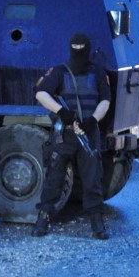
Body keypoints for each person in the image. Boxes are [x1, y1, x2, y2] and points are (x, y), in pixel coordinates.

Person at [32, 32, 111, 240]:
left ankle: (97, 222)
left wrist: (93, 120)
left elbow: (105, 100)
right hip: (65, 134)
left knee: (92, 179)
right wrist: (62, 112)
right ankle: (43, 218)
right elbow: (41, 93)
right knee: (54, 178)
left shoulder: (97, 72)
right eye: (75, 48)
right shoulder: (60, 71)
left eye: (80, 48)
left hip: (88, 133)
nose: (78, 53)